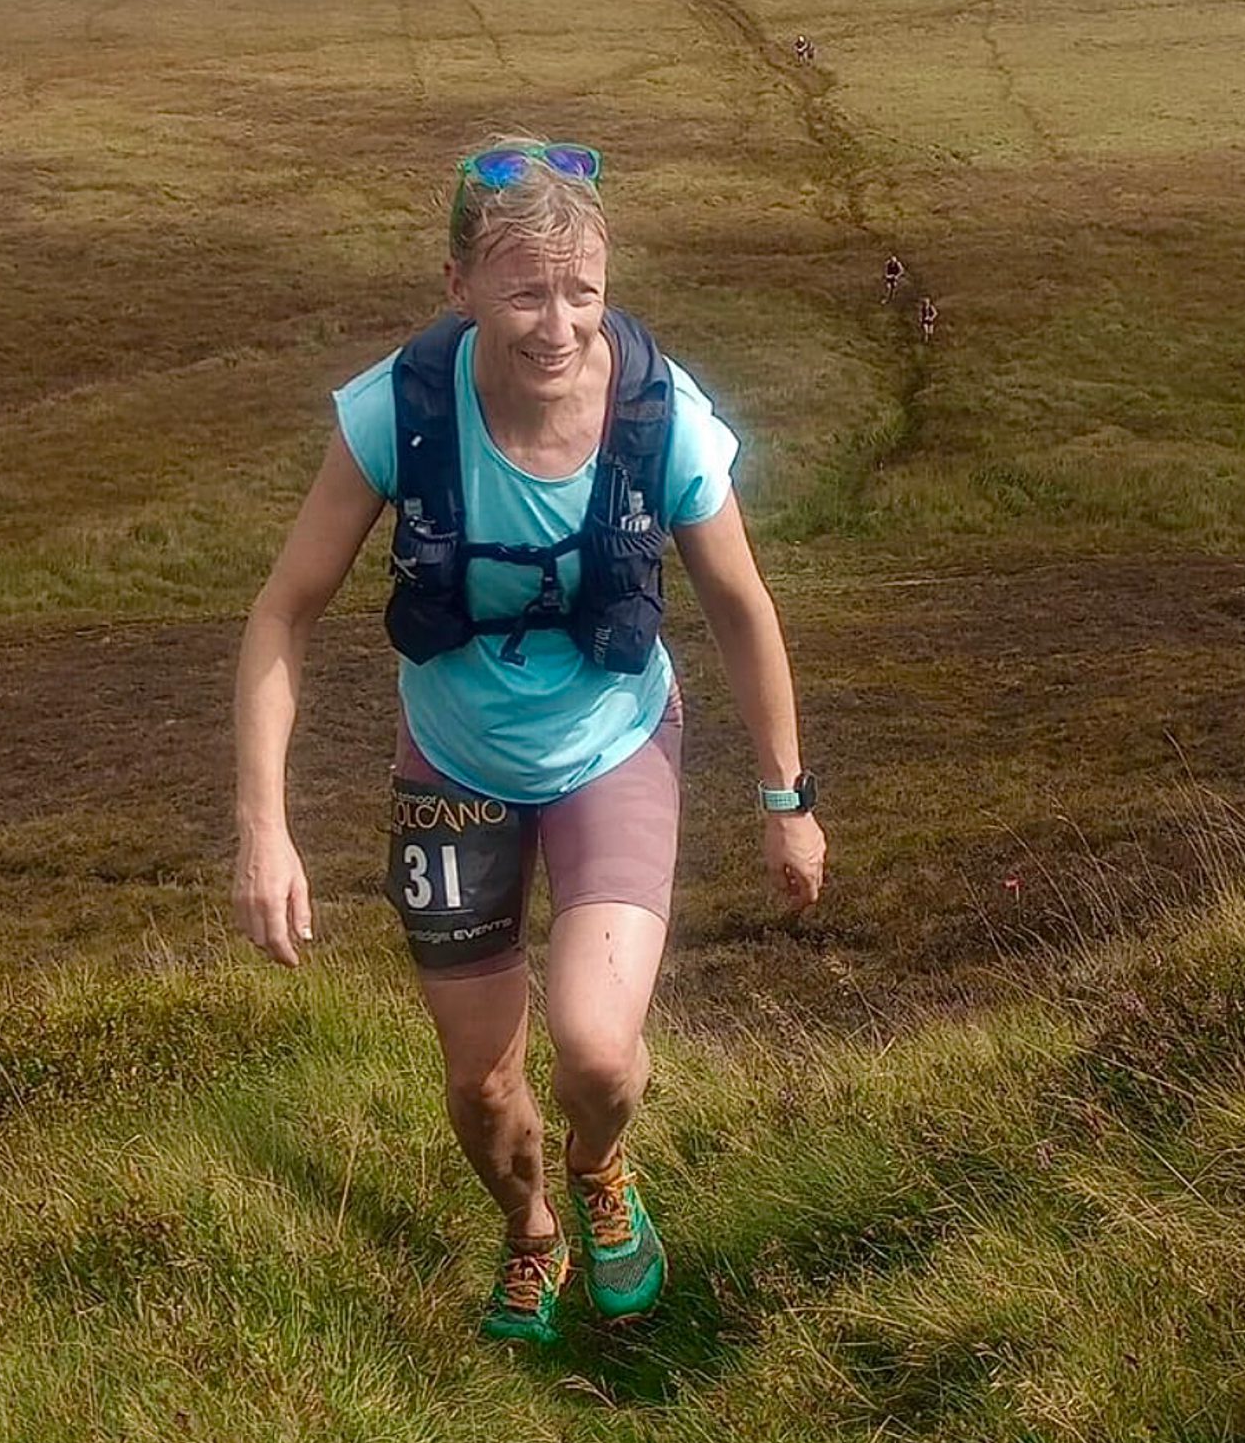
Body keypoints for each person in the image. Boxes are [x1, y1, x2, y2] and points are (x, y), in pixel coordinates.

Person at [233, 139, 825, 1346]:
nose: (558, 326)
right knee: (479, 1081)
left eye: (583, 292)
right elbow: (280, 611)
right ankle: (530, 1232)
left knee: (598, 1054)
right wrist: (265, 833)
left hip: (615, 743)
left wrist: (786, 799)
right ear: (457, 284)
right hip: (451, 768)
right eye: (523, 291)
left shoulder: (663, 421)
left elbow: (739, 608)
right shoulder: (391, 415)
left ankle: (603, 1170)